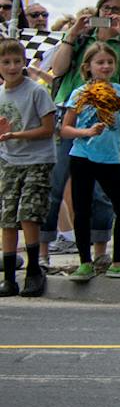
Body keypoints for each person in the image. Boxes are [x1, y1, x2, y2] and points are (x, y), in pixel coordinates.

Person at [40, 0, 120, 265]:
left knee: (102, 191)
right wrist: (72, 34)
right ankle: (43, 251)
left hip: (105, 117)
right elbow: (58, 70)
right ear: (97, 10)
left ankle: (99, 251)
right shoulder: (82, 37)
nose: (111, 14)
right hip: (69, 108)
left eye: (118, 10)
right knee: (55, 181)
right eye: (107, 8)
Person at [55, 40, 120, 281]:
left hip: (110, 157)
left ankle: (119, 261)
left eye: (110, 62)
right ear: (88, 66)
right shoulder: (79, 93)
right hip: (82, 156)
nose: (105, 67)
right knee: (82, 209)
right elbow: (66, 129)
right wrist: (86, 132)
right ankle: (84, 263)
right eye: (100, 62)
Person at [0, 38, 57, 298]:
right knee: (7, 217)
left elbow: (48, 130)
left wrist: (16, 135)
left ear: (25, 62)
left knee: (28, 212)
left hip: (37, 159)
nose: (12, 67)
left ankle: (34, 270)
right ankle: (9, 277)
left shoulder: (36, 91)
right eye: (6, 62)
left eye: (17, 61)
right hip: (10, 161)